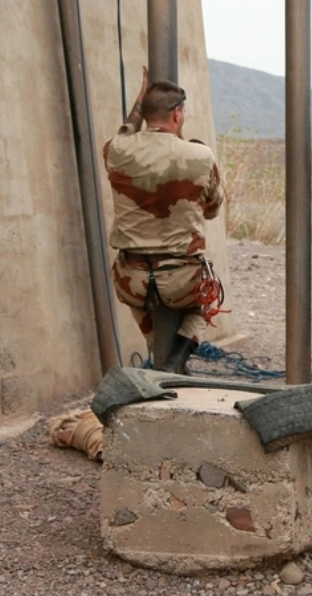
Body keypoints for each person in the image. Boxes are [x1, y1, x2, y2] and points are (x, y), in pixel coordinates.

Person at [104, 72, 224, 374]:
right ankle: (176, 360)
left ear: (145, 113)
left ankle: (163, 354)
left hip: (133, 281)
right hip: (181, 280)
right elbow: (213, 209)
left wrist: (140, 100)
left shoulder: (116, 150)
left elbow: (126, 131)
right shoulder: (200, 155)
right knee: (210, 297)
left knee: (137, 295)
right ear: (177, 113)